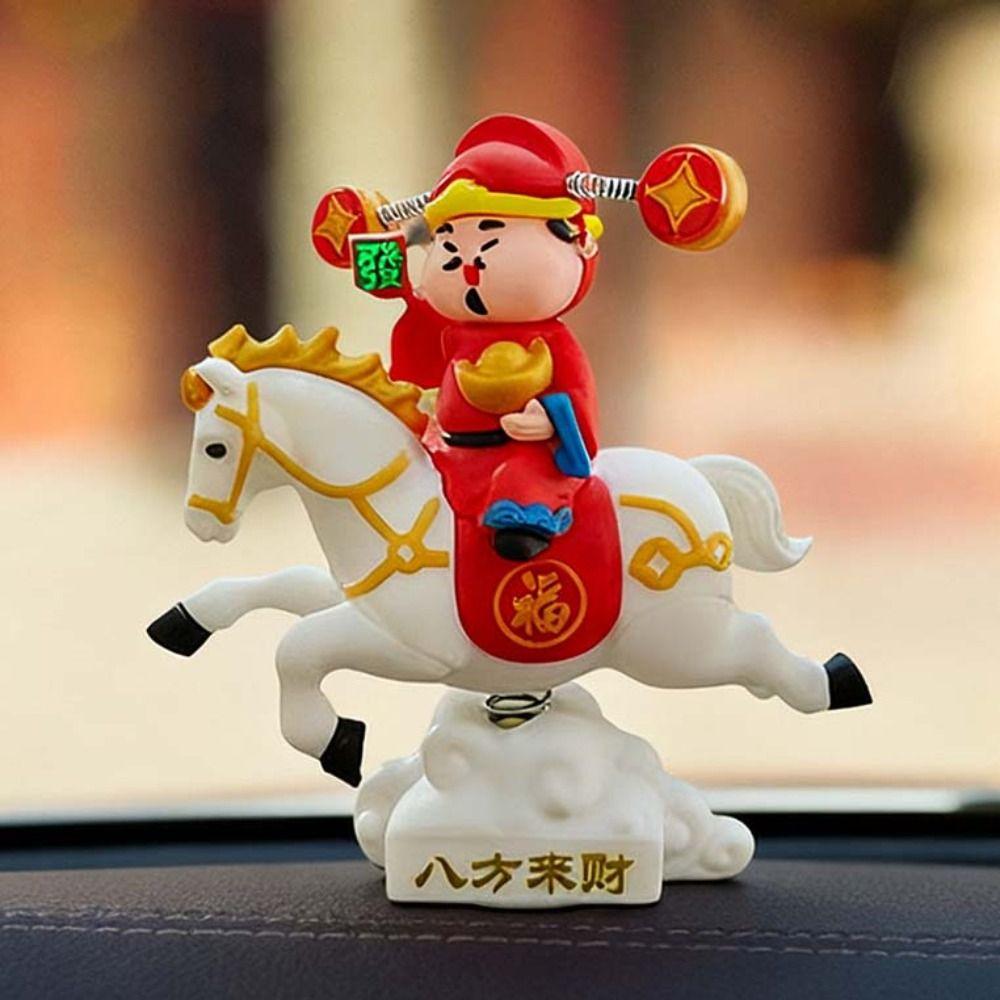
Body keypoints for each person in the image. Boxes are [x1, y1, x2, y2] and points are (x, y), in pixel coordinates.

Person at [388, 114, 604, 561]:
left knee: (517, 488)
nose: (468, 264)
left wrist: (551, 419)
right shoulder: (454, 330)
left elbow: (578, 393)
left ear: (578, 244)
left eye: (490, 242)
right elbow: (419, 349)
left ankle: (524, 535)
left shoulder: (552, 341)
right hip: (452, 452)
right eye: (449, 245)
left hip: (522, 456)